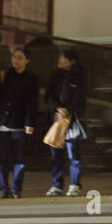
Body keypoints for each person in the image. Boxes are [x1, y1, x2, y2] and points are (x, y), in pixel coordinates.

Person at [0, 45, 39, 198]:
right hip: (2, 122)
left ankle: (16, 189)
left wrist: (30, 122)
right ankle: (3, 188)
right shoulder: (4, 75)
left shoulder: (32, 78)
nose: (16, 60)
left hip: (20, 124)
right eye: (14, 57)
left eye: (20, 58)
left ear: (27, 60)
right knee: (1, 159)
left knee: (19, 159)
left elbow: (32, 102)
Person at [44, 47, 89, 197]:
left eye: (63, 58)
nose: (60, 60)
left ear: (72, 61)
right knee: (56, 153)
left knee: (73, 153)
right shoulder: (55, 75)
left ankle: (75, 184)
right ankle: (57, 185)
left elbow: (80, 97)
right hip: (57, 120)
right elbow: (48, 95)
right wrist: (57, 108)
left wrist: (68, 110)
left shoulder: (79, 75)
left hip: (72, 119)